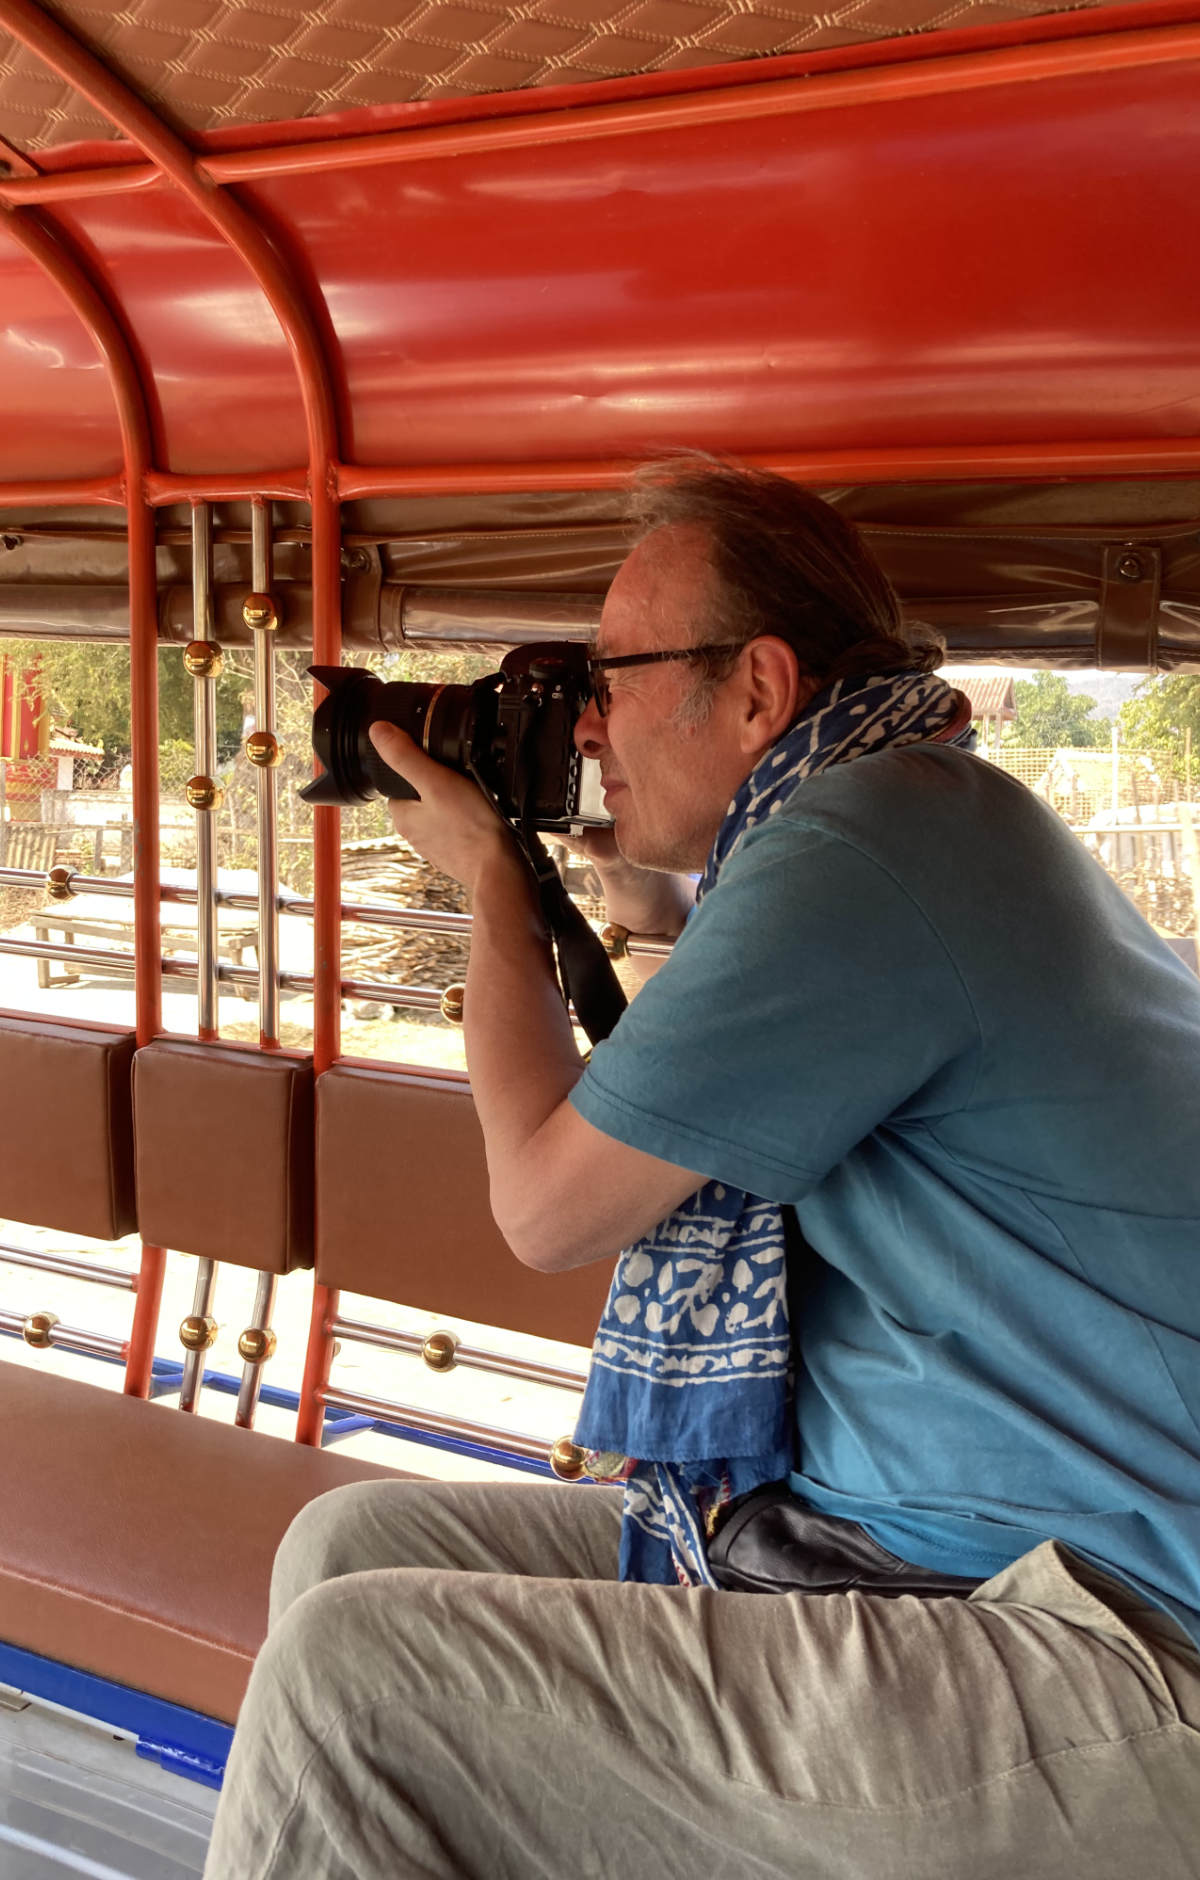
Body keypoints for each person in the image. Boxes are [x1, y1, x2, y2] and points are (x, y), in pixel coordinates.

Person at [205, 461, 1200, 1879]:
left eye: (613, 677)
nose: (587, 724)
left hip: (1114, 1635)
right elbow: (737, 1009)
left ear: (758, 690)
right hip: (915, 1549)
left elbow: (547, 1205)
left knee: (352, 1678)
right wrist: (621, 878)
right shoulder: (917, 815)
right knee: (350, 1547)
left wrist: (492, 879)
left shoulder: (863, 850)